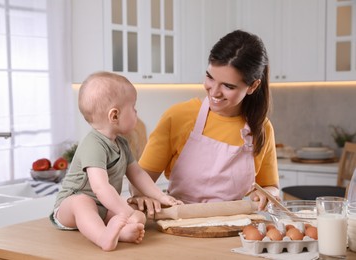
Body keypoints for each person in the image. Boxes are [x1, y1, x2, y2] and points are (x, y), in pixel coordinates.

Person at [128, 30, 279, 216]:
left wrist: (267, 194)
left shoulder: (261, 128)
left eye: (228, 86)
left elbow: (271, 187)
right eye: (210, 77)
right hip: (179, 223)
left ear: (253, 86)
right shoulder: (178, 116)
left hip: (233, 229)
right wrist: (143, 197)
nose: (214, 92)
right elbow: (140, 182)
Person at [50, 71, 181, 251]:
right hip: (69, 209)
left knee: (139, 217)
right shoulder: (93, 144)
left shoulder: (122, 144)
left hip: (101, 208)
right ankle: (103, 237)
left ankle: (120, 233)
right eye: (133, 108)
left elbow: (138, 174)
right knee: (83, 202)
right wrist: (125, 213)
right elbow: (100, 188)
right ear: (114, 116)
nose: (136, 112)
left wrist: (160, 196)